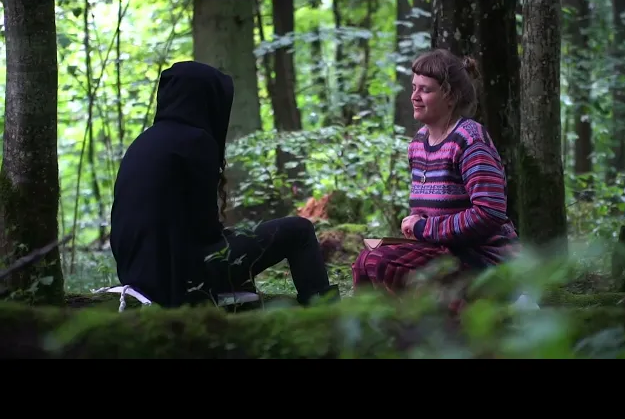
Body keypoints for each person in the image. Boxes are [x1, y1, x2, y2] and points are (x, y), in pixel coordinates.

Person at [109, 61, 339, 308]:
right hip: (181, 280)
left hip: (142, 276)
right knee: (299, 230)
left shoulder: (144, 142)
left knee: (238, 239)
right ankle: (325, 314)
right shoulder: (195, 141)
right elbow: (206, 231)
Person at [352, 49, 519, 296]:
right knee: (365, 261)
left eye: (425, 90)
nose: (414, 97)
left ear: (450, 96)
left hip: (485, 259)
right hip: (443, 251)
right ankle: (382, 322)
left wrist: (422, 228)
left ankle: (504, 305)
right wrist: (414, 228)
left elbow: (490, 213)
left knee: (380, 262)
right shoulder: (418, 143)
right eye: (414, 88)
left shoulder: (470, 140)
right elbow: (425, 212)